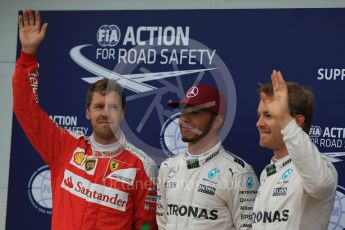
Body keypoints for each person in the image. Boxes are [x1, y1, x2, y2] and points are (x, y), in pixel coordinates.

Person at [13, 9, 158, 230]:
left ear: (123, 113)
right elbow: (26, 110)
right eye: (99, 106)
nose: (105, 113)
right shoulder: (64, 147)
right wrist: (27, 55)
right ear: (87, 112)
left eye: (113, 107)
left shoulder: (142, 166)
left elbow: (146, 226)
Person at [156, 84, 259, 229]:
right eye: (183, 111)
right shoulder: (168, 167)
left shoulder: (238, 173)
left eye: (195, 113)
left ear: (217, 121)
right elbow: (162, 225)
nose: (184, 119)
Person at [252, 70, 338, 229]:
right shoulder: (267, 172)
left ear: (297, 122)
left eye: (269, 115)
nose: (259, 123)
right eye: (259, 115)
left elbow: (320, 185)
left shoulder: (319, 168)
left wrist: (285, 120)